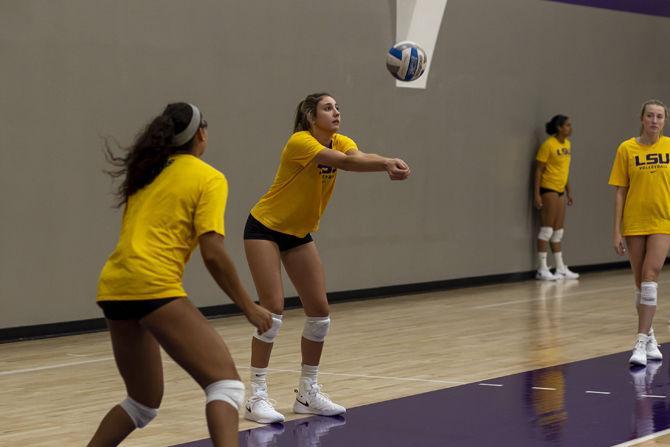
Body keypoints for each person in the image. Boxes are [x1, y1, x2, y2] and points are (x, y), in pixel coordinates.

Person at [88, 102, 272, 447]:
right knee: (226, 386)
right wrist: (249, 306)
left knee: (141, 403)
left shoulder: (145, 173)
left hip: (114, 285)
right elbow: (214, 254)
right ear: (201, 133)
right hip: (152, 284)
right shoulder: (208, 177)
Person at [241, 92, 411, 424]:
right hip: (264, 228)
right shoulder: (300, 143)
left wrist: (384, 160)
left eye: (338, 108)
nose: (336, 113)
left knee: (319, 313)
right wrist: (386, 164)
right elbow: (345, 162)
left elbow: (357, 154)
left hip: (298, 233)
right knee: (272, 311)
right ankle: (256, 396)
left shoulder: (340, 140)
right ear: (310, 116)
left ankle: (307, 392)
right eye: (328, 108)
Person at [609, 99, 669, 366]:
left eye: (660, 117)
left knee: (650, 275)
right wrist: (617, 230)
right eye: (650, 116)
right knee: (640, 285)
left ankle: (639, 340)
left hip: (662, 222)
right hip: (634, 222)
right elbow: (620, 191)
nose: (655, 121)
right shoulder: (626, 149)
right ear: (642, 119)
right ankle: (651, 337)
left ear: (664, 121)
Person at [533, 115, 580, 280]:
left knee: (558, 231)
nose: (570, 128)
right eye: (567, 125)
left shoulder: (568, 144)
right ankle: (542, 268)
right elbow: (538, 170)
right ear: (559, 127)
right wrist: (537, 194)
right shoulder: (548, 145)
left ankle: (560, 267)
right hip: (549, 189)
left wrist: (569, 191)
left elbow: (564, 170)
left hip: (560, 190)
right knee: (547, 230)